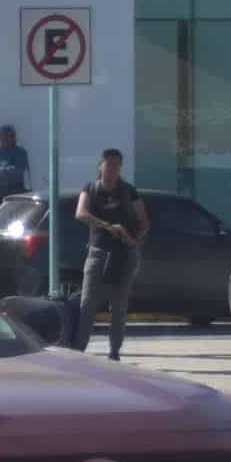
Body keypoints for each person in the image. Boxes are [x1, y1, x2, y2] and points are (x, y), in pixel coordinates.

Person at [69, 148, 149, 359]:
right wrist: (106, 225)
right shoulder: (91, 189)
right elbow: (81, 213)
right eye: (108, 164)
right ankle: (79, 351)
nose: (112, 169)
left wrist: (132, 238)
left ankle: (114, 351)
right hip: (98, 252)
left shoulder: (129, 191)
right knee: (87, 303)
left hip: (123, 254)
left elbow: (144, 222)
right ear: (100, 165)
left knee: (119, 304)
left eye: (116, 164)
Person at [0, 126, 29, 208]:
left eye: (8, 137)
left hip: (14, 195)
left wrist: (2, 173)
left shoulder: (20, 152)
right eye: (3, 137)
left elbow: (19, 171)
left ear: (13, 137)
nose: (5, 140)